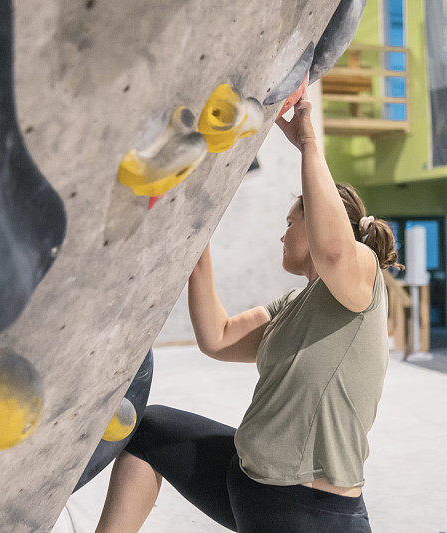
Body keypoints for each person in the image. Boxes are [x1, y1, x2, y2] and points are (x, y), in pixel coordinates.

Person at [96, 96, 403, 532]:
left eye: (292, 222)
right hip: (246, 483)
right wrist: (195, 230)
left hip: (307, 511)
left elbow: (334, 250)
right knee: (148, 431)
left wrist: (308, 143)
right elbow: (217, 337)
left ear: (316, 224)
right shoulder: (294, 305)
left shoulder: (361, 284)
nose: (282, 235)